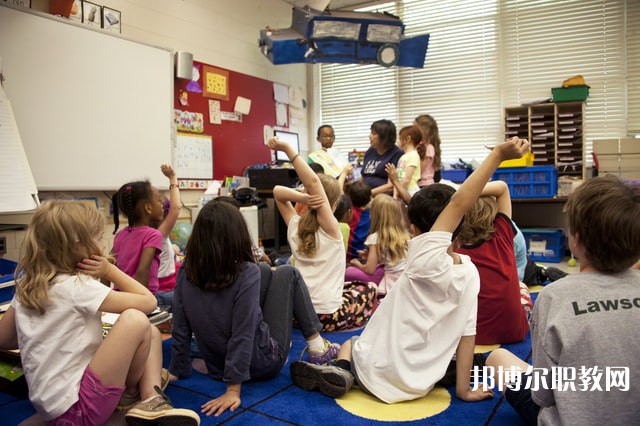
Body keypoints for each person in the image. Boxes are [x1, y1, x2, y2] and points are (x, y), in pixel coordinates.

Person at [289, 137, 530, 403]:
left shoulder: (424, 259)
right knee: (455, 355)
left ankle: (341, 369)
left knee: (351, 343)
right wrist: (464, 390)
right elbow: (467, 335)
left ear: (414, 229)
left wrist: (497, 155)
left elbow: (459, 203)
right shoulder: (470, 273)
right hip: (421, 382)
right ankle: (354, 370)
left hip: (376, 373)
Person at [2, 200, 199, 424]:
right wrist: (110, 270)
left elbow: (4, 339)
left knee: (151, 333)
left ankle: (149, 396)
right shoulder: (76, 286)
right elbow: (148, 301)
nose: (103, 247)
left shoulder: (27, 286)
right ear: (78, 243)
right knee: (135, 320)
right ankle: (139, 399)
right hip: (80, 411)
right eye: (97, 239)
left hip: (53, 408)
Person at [486, 175, 640, 425]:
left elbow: (542, 394)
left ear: (575, 238)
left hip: (567, 418)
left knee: (497, 359)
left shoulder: (553, 296)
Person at [168, 198, 339, 418]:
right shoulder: (244, 271)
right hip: (262, 364)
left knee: (265, 270)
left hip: (216, 365)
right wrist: (233, 389)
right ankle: (318, 348)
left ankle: (316, 347)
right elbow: (242, 332)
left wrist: (176, 369)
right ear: (237, 235)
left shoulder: (186, 271)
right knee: (289, 273)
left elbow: (180, 327)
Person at [268, 137, 378, 331]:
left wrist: (302, 197)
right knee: (369, 289)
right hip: (326, 317)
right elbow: (313, 181)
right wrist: (287, 148)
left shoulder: (294, 224)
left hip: (297, 315)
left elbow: (277, 192)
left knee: (349, 286)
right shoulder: (332, 229)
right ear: (334, 205)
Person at [455, 181, 530, 345]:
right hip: (515, 331)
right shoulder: (504, 236)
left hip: (474, 336)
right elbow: (502, 188)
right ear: (493, 215)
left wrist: (459, 196)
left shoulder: (454, 256)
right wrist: (465, 190)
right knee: (522, 287)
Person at [112, 170, 173, 306]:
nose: (162, 204)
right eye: (158, 200)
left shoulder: (120, 235)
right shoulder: (152, 234)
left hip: (120, 296)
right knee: (180, 297)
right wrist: (141, 303)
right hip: (143, 297)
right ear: (148, 208)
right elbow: (142, 270)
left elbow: (109, 264)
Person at [346, 194, 409, 296]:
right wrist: (369, 256)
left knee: (349, 271)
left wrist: (355, 263)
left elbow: (369, 269)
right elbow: (392, 259)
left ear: (374, 214)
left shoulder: (375, 237)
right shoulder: (404, 234)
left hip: (391, 280)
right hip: (405, 277)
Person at [361, 119, 403, 196]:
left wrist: (366, 195)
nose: (369, 136)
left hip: (383, 198)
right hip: (366, 196)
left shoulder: (397, 154)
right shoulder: (370, 151)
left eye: (374, 133)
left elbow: (391, 186)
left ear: (384, 137)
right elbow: (364, 176)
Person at [157, 164, 182, 296]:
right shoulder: (159, 234)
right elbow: (176, 208)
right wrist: (172, 178)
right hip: (167, 289)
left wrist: (171, 248)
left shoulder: (130, 232)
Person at [390, 125, 423, 202]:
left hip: (410, 191)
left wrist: (398, 193)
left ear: (408, 139)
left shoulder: (413, 155)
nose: (398, 141)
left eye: (400, 138)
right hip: (401, 190)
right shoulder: (404, 156)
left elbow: (407, 179)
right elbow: (398, 177)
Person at [344, 179, 373, 262]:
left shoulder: (347, 212)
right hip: (361, 256)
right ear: (369, 199)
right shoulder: (371, 215)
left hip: (346, 254)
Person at [414, 114, 442, 186]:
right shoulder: (420, 146)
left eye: (415, 129)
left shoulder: (429, 148)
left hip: (424, 184)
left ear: (424, 131)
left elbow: (419, 170)